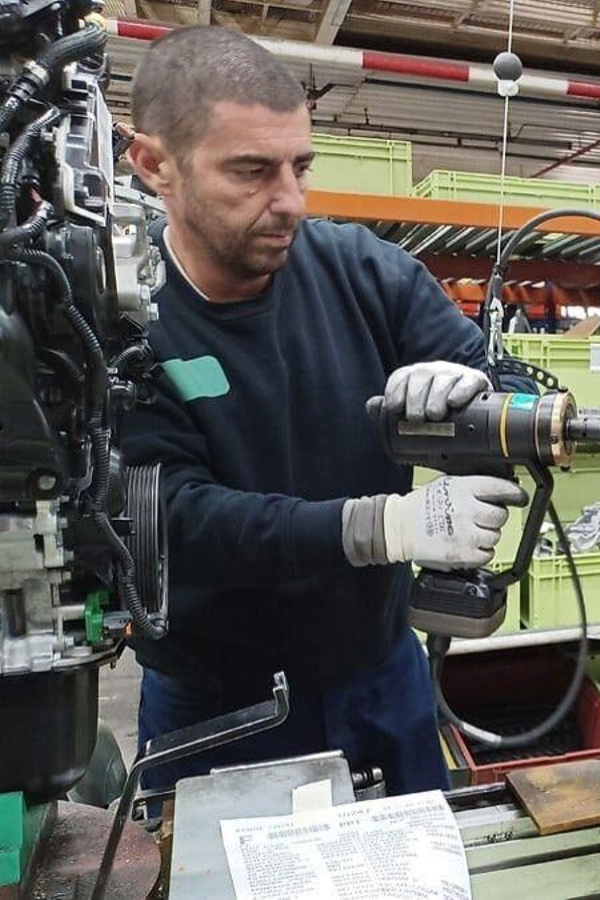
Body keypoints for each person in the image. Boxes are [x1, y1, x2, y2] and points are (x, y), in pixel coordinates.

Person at [123, 25, 527, 794]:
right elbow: (173, 518)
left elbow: (518, 394)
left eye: (299, 167)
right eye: (251, 171)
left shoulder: (364, 271)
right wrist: (384, 526)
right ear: (154, 166)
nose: (289, 202)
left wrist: (483, 389)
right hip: (217, 707)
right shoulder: (125, 317)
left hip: (379, 675)